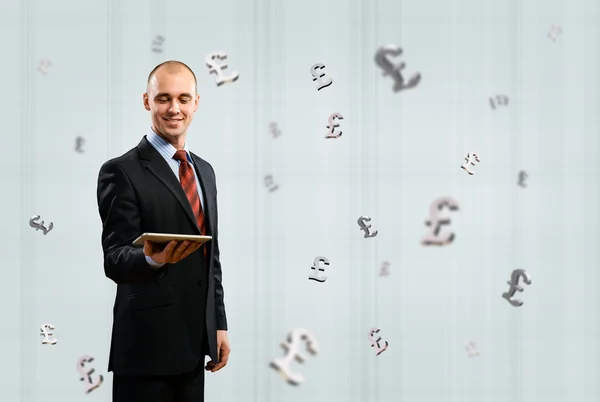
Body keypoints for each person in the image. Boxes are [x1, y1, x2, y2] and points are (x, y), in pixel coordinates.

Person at [96, 60, 230, 402]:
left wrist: (218, 323)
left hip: (193, 346)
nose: (174, 108)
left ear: (196, 103)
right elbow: (114, 259)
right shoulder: (120, 171)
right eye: (163, 98)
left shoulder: (205, 171)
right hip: (145, 351)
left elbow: (210, 258)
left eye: (184, 99)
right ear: (147, 101)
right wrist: (150, 258)